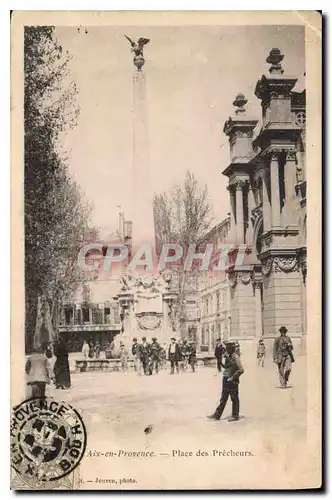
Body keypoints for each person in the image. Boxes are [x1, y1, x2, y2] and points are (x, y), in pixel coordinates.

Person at [208, 340, 244, 422]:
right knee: (223, 398)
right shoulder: (229, 357)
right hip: (226, 379)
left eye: (227, 348)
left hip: (232, 381)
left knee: (234, 398)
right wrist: (221, 362)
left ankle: (235, 415)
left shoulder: (236, 357)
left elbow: (241, 370)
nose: (226, 350)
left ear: (231, 349)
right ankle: (217, 415)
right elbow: (227, 367)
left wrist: (233, 377)